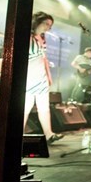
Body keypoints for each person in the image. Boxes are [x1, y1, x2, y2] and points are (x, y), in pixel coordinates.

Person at [23, 11, 63, 144]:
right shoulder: (27, 38)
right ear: (38, 22)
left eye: (50, 26)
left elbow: (44, 59)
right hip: (28, 77)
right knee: (25, 107)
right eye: (46, 24)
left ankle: (49, 134)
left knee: (44, 108)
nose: (48, 27)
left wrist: (48, 76)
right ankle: (18, 134)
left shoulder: (42, 39)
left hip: (41, 77)